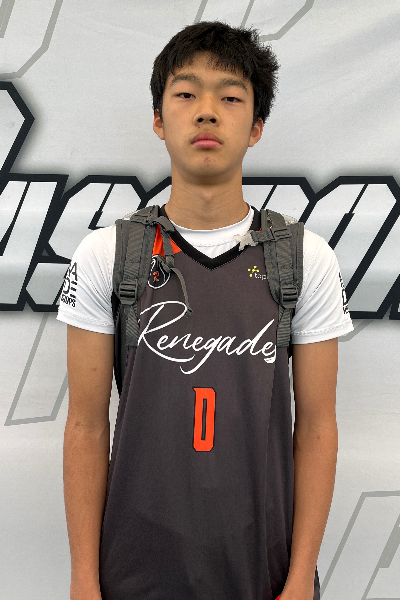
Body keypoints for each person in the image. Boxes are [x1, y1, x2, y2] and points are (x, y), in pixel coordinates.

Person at [58, 20, 353, 600]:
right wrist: (83, 580)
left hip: (264, 574)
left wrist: (300, 579)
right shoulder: (107, 254)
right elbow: (85, 427)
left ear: (257, 126)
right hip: (132, 574)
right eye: (187, 93)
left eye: (231, 97)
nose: (208, 112)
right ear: (158, 118)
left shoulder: (305, 258)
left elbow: (318, 427)